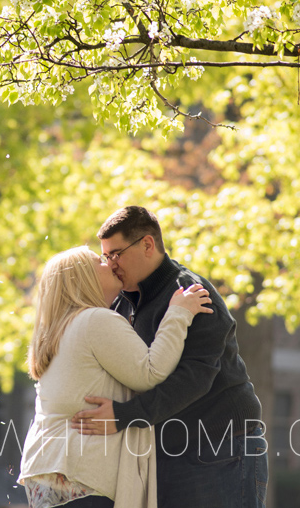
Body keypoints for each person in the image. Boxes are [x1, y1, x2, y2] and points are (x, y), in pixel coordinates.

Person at [70, 206, 266, 508]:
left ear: (147, 245)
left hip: (220, 448)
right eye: (106, 257)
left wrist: (124, 416)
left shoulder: (192, 293)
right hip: (166, 451)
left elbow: (195, 378)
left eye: (116, 254)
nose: (111, 265)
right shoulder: (119, 304)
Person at [19, 239, 212, 508]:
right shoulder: (96, 320)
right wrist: (179, 313)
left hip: (47, 470)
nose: (109, 262)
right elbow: (150, 372)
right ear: (83, 278)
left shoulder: (57, 332)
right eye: (99, 260)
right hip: (83, 475)